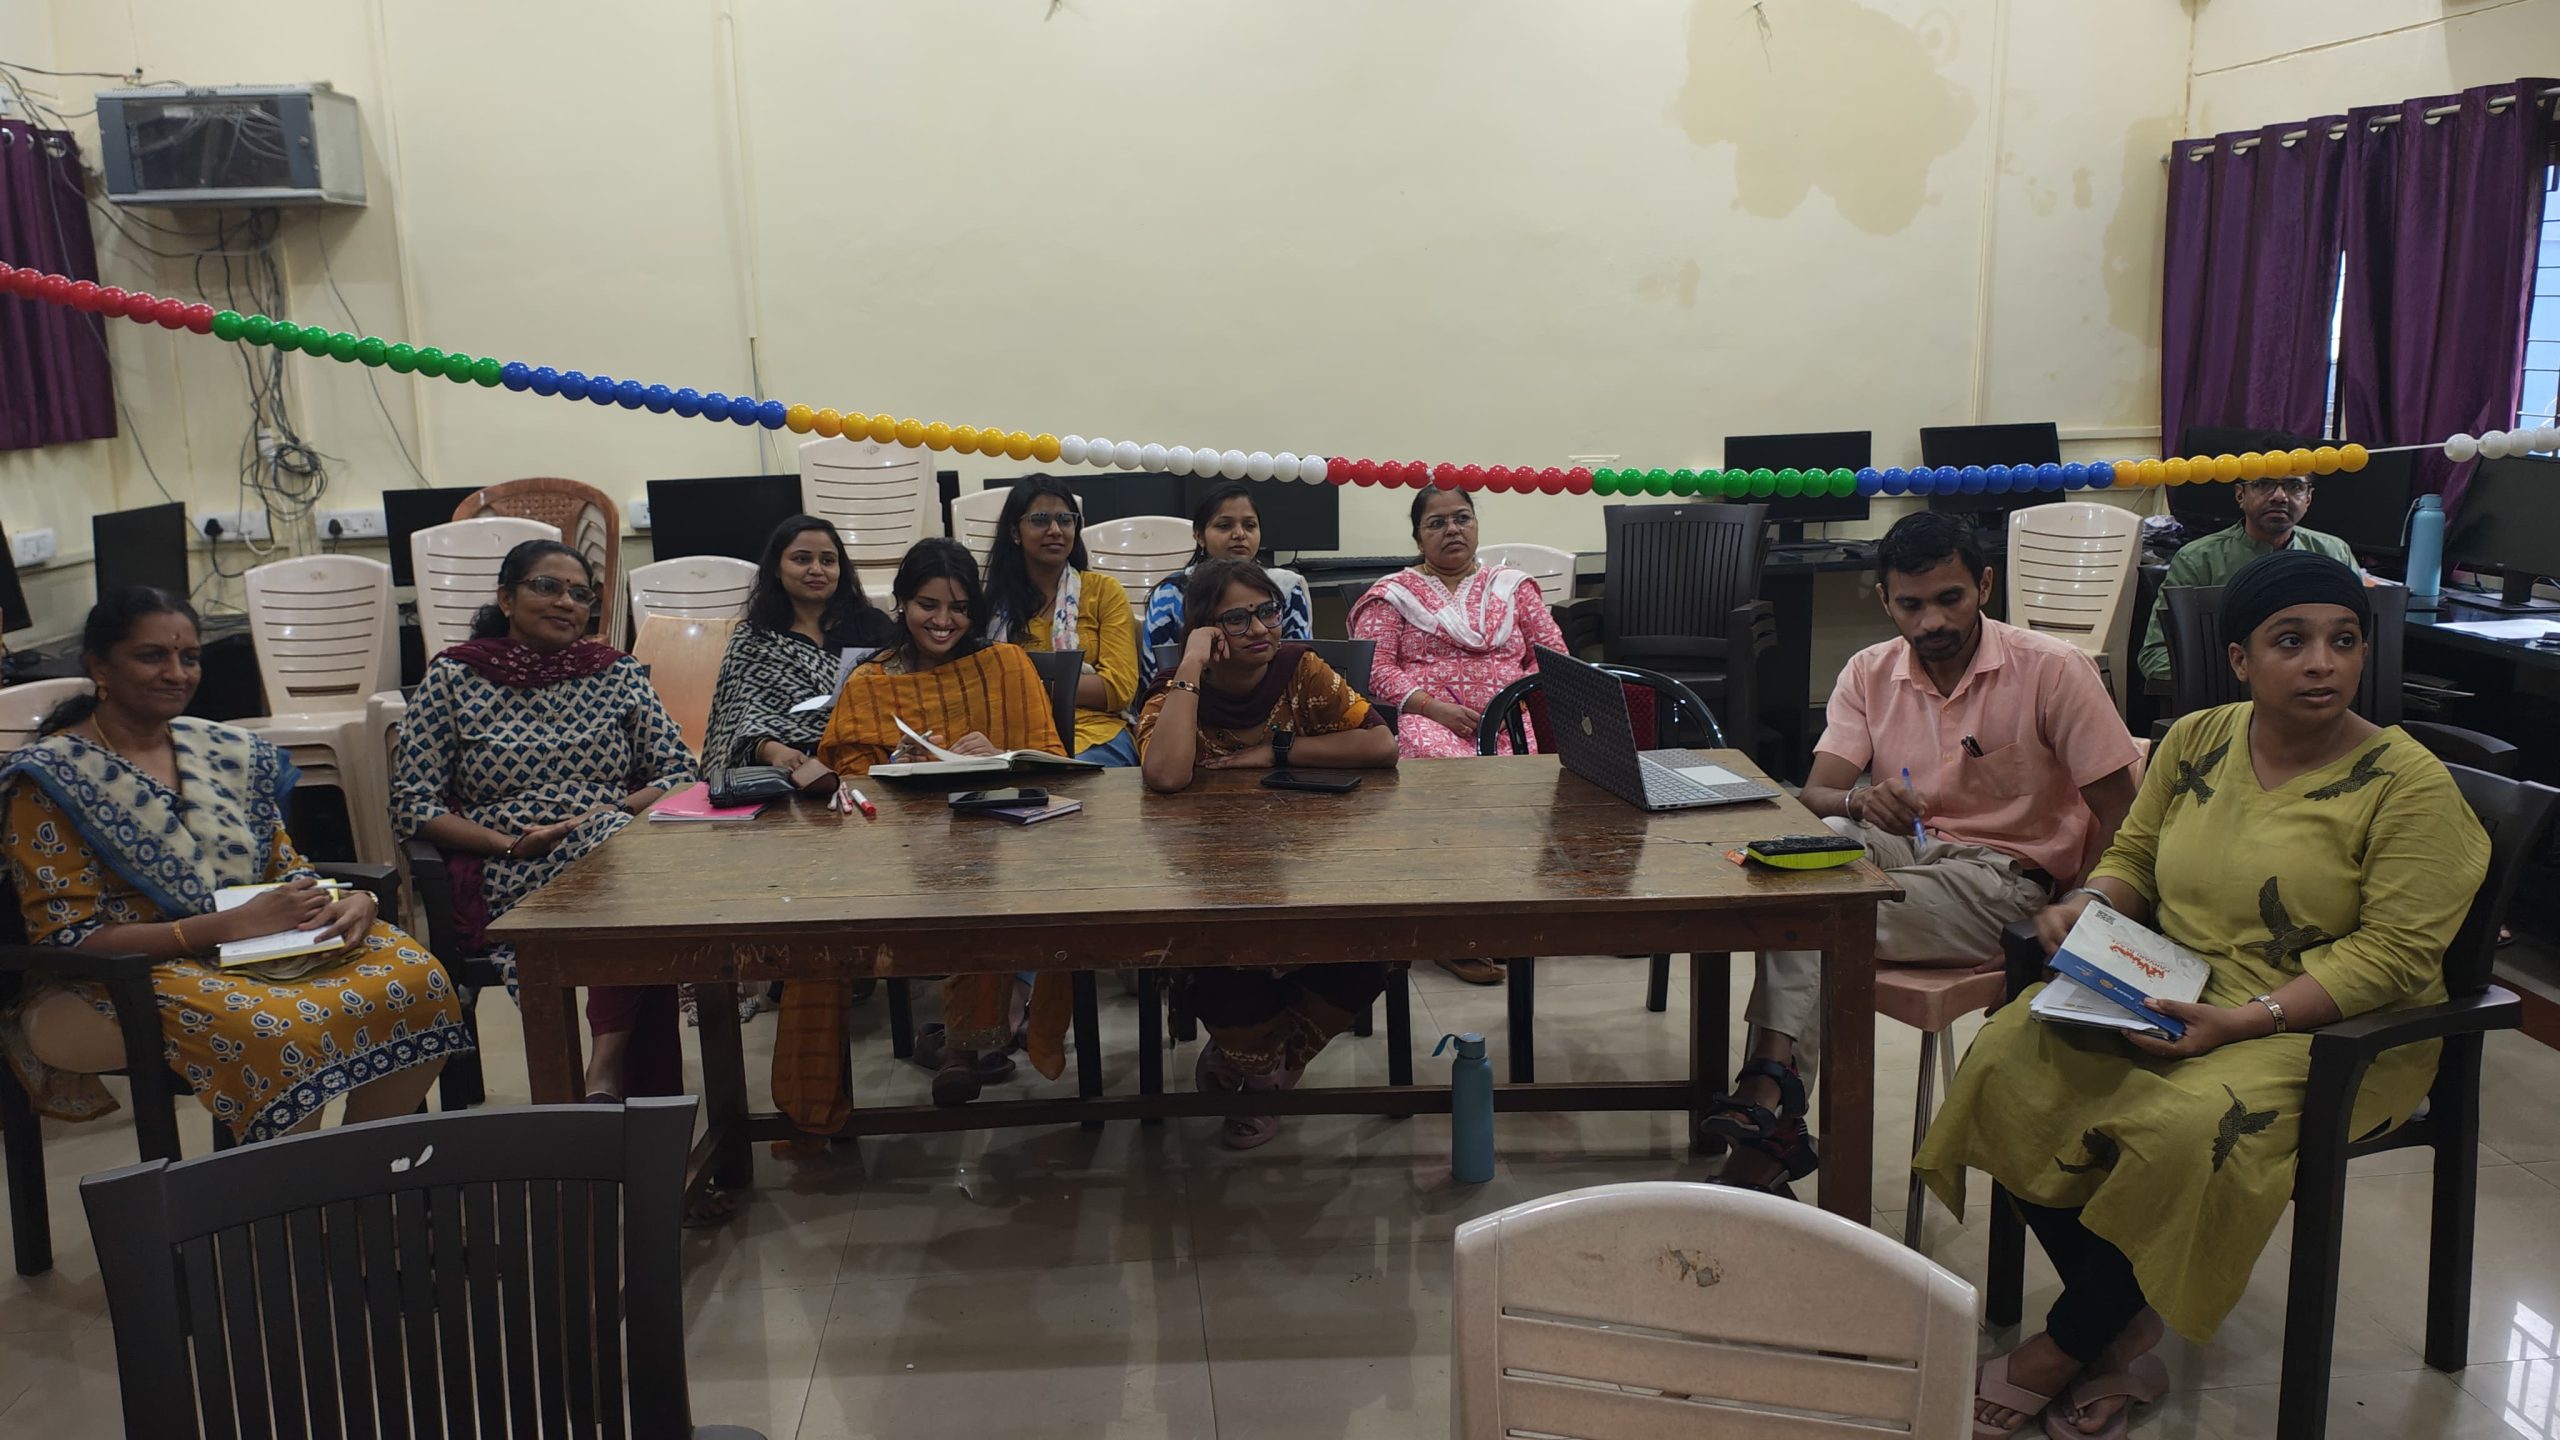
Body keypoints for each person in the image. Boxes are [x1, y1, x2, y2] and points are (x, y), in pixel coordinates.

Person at [1917, 550, 2488, 1437]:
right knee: (2008, 1056)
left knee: (2190, 1126)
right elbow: (2136, 856)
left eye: (2343, 641)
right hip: (2179, 987)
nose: (2322, 664)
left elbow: (2394, 955)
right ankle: (2118, 1329)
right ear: (2239, 659)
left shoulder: (2408, 786)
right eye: (2291, 641)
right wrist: (2091, 903)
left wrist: (2242, 1021)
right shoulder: (2198, 739)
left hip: (2331, 1029)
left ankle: (2063, 1347)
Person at [1710, 511, 2144, 1193]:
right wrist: (1860, 800)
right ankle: (1775, 1106)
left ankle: (1769, 1095)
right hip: (1908, 854)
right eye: (1911, 605)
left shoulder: (2053, 670)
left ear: (1985, 586)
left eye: (1950, 598)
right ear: (1885, 600)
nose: (1932, 621)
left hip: (2004, 881)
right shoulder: (1869, 670)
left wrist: (2077, 917)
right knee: (1804, 852)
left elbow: (2127, 819)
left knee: (1813, 910)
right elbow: (1818, 794)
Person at [0, 588, 466, 1145]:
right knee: (281, 1030)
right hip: (123, 971)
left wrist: (347, 900)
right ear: (99, 666)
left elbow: (285, 868)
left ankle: (356, 1169)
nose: (177, 673)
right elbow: (68, 937)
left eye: (190, 657)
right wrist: (225, 926)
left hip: (256, 943)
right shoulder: (50, 777)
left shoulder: (221, 751)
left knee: (420, 981)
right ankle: (285, 1192)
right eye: (152, 656)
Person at [391, 541, 699, 1116]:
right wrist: (512, 844)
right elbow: (412, 804)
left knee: (625, 863)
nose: (566, 602)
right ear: (506, 598)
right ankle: (619, 1084)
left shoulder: (614, 673)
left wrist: (612, 812)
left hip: (616, 842)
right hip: (515, 862)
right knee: (644, 891)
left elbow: (680, 771)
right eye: (546, 586)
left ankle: (604, 1073)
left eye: (580, 594)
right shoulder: (455, 677)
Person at [775, 538, 1072, 1121]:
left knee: (986, 882)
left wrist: (998, 752)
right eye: (927, 605)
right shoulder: (870, 679)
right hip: (893, 848)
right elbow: (844, 774)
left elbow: (1052, 761)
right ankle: (813, 1103)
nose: (943, 621)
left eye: (959, 608)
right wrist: (893, 762)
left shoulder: (1006, 664)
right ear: (902, 603)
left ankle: (965, 1045)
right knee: (817, 922)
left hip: (994, 838)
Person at [1136, 558, 1399, 1147]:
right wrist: (1192, 665)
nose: (1259, 629)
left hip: (1306, 867)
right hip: (1212, 876)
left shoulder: (1298, 669)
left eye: (1267, 612)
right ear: (1206, 631)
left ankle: (1268, 1071)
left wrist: (1278, 750)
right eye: (1236, 619)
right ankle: (1258, 1070)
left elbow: (1381, 745)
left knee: (1367, 955)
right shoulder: (1177, 688)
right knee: (1223, 970)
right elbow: (1167, 776)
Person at [1349, 486, 1570, 984]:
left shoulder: (1512, 587)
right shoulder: (1394, 594)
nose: (1452, 529)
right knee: (1458, 794)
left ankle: (1506, 922)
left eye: (1462, 518)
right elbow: (1375, 671)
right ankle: (1452, 933)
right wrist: (1434, 709)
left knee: (1521, 799)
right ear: (1417, 537)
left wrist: (1515, 700)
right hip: (1429, 720)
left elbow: (1553, 657)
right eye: (1436, 523)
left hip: (1507, 722)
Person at [701, 513, 897, 790]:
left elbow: (899, 702)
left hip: (872, 768)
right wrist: (772, 751)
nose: (816, 569)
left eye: (828, 561)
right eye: (802, 559)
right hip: (784, 778)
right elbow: (734, 729)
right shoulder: (754, 640)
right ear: (777, 568)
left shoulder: (873, 628)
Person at [2136, 473, 2360, 682]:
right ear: (2240, 495)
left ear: (2308, 497)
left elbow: (2363, 641)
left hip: (2320, 695)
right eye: (2263, 484)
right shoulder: (2198, 559)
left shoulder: (2333, 553)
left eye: (2295, 486)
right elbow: (2156, 656)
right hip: (2228, 698)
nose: (2280, 496)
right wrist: (2254, 677)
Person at [984, 475, 1140, 765]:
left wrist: (1023, 683)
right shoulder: (992, 606)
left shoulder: (1103, 592)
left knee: (1060, 774)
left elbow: (1118, 689)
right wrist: (1064, 683)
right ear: (1015, 531)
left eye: (1065, 520)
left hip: (1093, 734)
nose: (1055, 530)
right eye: (1040, 520)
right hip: (1015, 737)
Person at [1138, 482, 1314, 692]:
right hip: (1187, 701)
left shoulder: (1285, 589)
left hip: (1274, 703)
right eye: (1224, 525)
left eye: (1249, 525)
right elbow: (1156, 679)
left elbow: (1299, 669)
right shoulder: (1169, 595)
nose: (1239, 534)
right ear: (1199, 536)